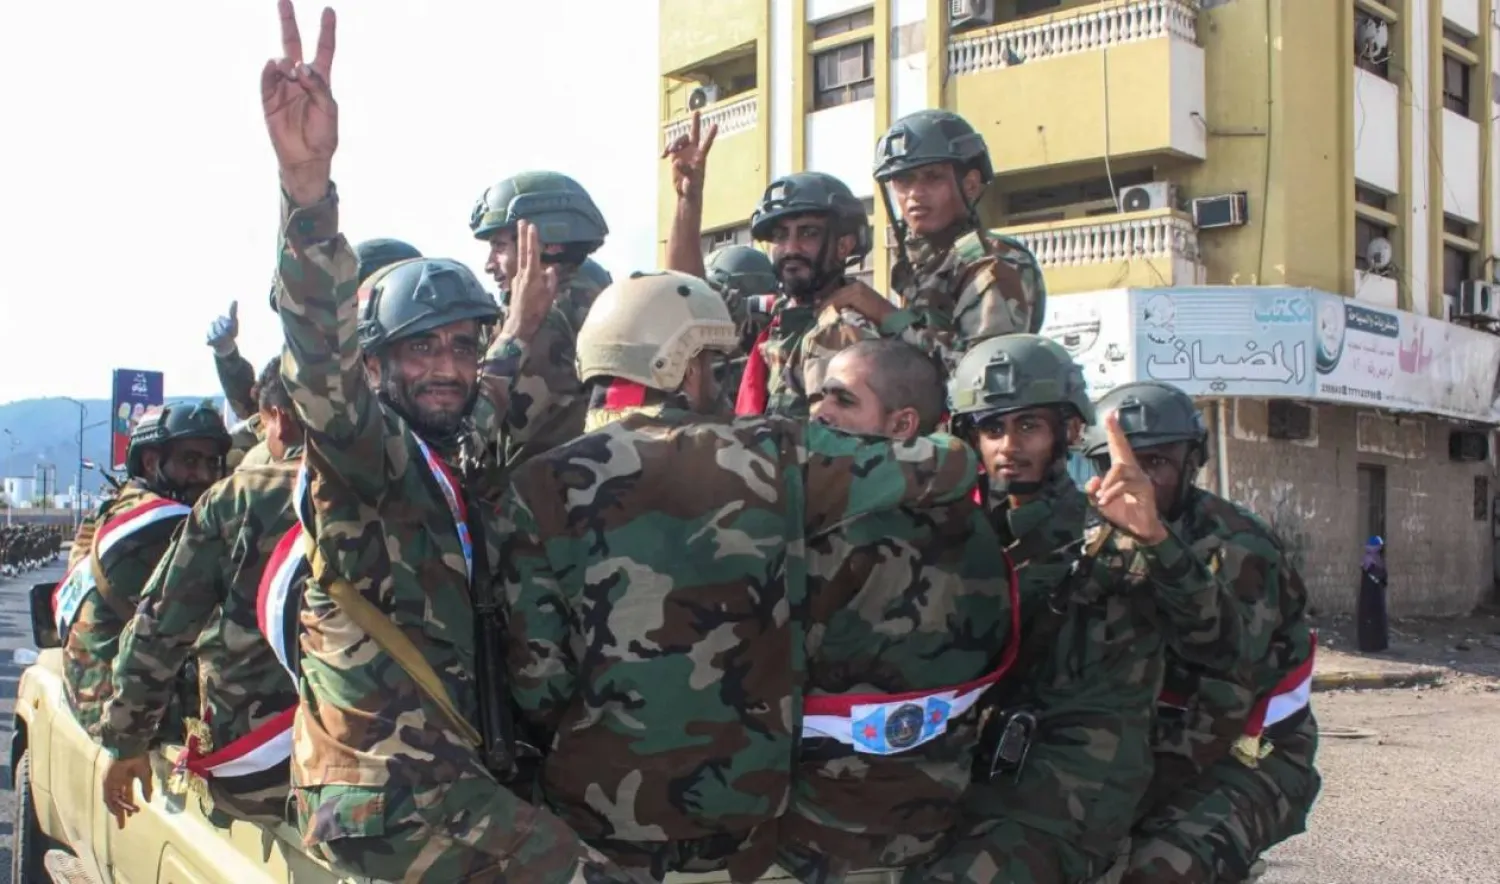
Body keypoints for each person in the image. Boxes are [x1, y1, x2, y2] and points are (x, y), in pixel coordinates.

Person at [259, 5, 626, 879]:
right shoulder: (365, 457)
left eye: (459, 345)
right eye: (421, 348)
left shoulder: (449, 449)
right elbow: (321, 363)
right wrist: (308, 196)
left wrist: (523, 326)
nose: (447, 367)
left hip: (449, 774)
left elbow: (487, 399)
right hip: (389, 795)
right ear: (377, 366)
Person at [500, 270, 979, 882]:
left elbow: (537, 679)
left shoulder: (535, 483)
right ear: (688, 366)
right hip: (741, 806)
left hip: (596, 806)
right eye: (716, 366)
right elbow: (951, 465)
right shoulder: (773, 452)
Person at [907, 335, 1242, 884]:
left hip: (1073, 782)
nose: (1008, 446)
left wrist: (1155, 537)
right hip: (978, 762)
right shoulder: (966, 530)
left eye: (1028, 426)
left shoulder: (1112, 531)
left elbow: (1219, 642)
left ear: (1067, 431)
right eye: (992, 429)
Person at [770, 338, 1015, 878]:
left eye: (842, 399)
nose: (819, 412)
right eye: (818, 396)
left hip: (821, 829)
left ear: (903, 426)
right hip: (933, 818)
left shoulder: (836, 532)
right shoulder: (977, 527)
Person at [1078, 382, 1321, 884]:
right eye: (1118, 466)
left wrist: (1121, 798)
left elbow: (1225, 699)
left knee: (1164, 865)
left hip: (1249, 753)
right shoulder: (1093, 536)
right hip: (1140, 746)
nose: (1136, 483)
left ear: (1194, 461)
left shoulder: (1238, 549)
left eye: (1157, 465)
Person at [100, 357, 308, 827]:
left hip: (264, 778)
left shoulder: (241, 497)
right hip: (400, 775)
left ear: (277, 417)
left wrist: (126, 742)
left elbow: (158, 632)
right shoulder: (410, 482)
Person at [55, 401, 231, 737]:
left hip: (96, 690)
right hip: (122, 716)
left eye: (212, 463)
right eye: (190, 461)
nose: (206, 476)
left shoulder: (113, 510)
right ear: (151, 462)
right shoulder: (161, 527)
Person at [872, 109, 1046, 365]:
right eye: (903, 180)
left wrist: (887, 316)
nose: (914, 194)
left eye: (932, 177)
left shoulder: (993, 261)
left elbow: (983, 372)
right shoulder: (925, 264)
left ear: (971, 186)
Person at [470, 169, 611, 463]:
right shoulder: (599, 298)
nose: (488, 264)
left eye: (499, 246)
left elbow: (486, 435)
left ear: (549, 242)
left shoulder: (542, 321)